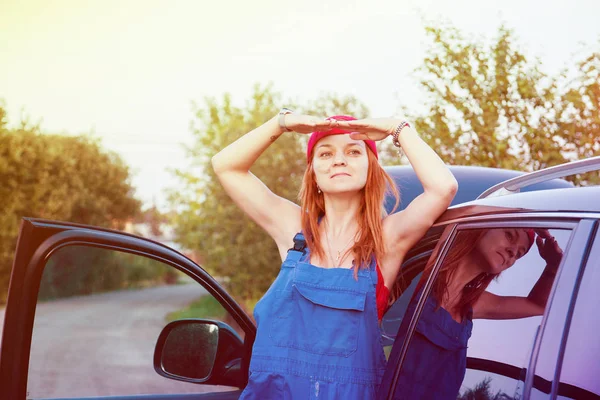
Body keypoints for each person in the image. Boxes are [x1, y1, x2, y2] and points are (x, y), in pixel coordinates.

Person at [211, 109, 458, 399]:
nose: (339, 159)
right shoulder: (293, 229)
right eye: (325, 154)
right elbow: (225, 166)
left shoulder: (387, 241)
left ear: (371, 169)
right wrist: (283, 123)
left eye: (354, 151)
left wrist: (397, 127)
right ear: (313, 174)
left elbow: (443, 188)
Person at [390, 227, 564, 400]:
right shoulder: (426, 273)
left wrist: (553, 266)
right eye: (509, 235)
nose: (512, 252)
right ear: (481, 229)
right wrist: (522, 212)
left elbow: (537, 305)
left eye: (519, 253)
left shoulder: (472, 303)